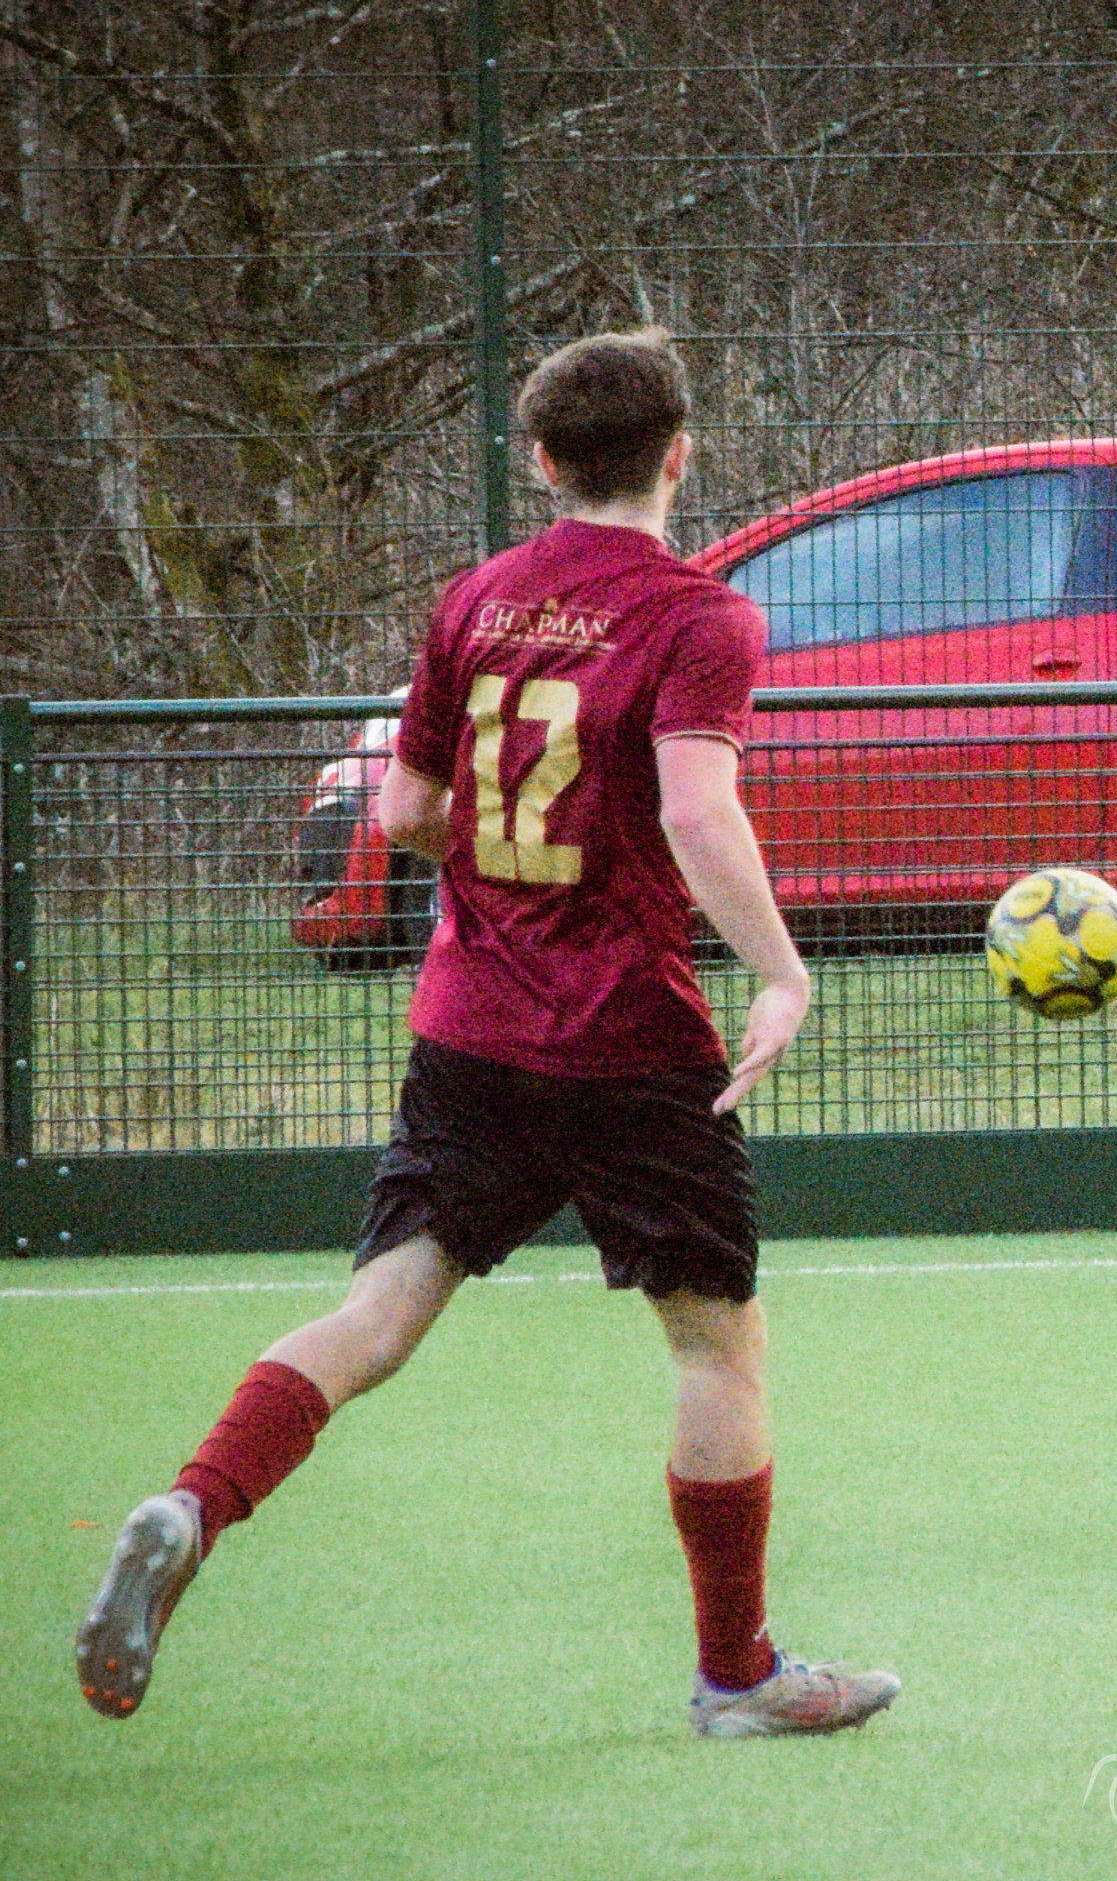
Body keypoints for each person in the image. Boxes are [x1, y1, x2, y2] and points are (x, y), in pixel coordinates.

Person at [76, 327, 899, 1736]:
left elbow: (398, 817)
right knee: (714, 1351)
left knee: (377, 1314)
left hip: (469, 1029)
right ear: (679, 454)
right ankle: (738, 1677)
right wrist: (781, 973)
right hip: (632, 1039)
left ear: (539, 461)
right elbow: (700, 813)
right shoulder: (702, 618)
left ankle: (192, 1504)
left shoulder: (477, 601)